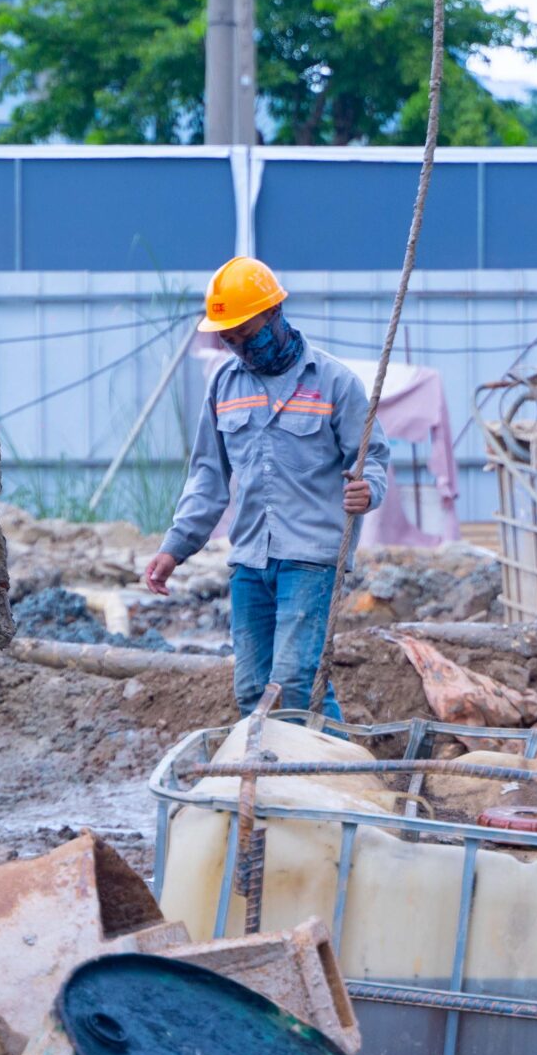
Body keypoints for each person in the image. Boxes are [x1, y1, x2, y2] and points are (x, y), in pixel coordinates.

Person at [145, 257, 390, 721]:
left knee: (295, 681)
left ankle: (330, 780)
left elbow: (371, 457)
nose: (239, 347)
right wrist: (174, 548)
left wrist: (368, 490)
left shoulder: (335, 383)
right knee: (253, 688)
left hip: (312, 558)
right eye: (228, 338)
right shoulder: (224, 384)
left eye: (246, 333)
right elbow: (207, 477)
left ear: (274, 314)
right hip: (250, 560)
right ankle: (287, 776)